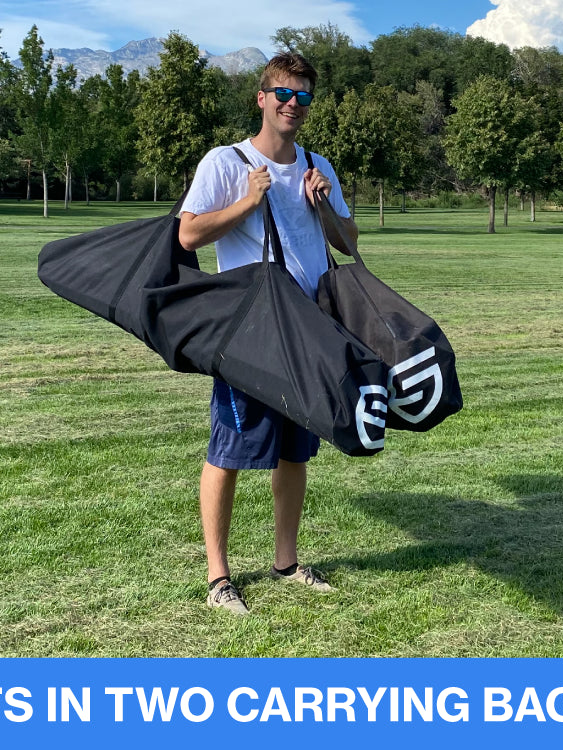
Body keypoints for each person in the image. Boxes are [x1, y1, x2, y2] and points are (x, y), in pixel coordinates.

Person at [178, 52, 358, 615]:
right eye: (283, 92)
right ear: (261, 97)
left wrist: (323, 205)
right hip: (249, 331)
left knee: (295, 452)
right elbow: (188, 235)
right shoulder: (225, 162)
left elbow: (348, 244)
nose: (292, 104)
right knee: (229, 449)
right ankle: (218, 577)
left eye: (303, 95)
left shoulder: (316, 164)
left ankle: (286, 561)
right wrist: (248, 201)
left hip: (309, 329)